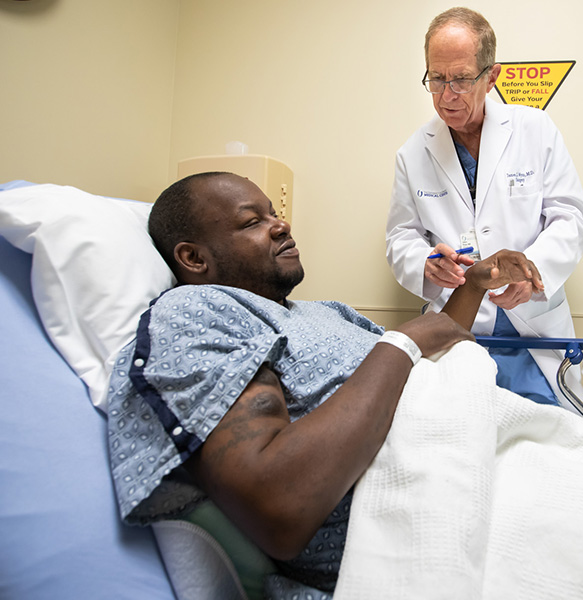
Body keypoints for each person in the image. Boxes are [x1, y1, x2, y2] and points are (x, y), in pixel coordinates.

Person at [107, 171, 544, 599]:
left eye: (273, 213)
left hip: (496, 468)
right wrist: (403, 342)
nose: (282, 224)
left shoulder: (323, 311)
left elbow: (426, 359)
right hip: (428, 525)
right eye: (252, 221)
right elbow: (278, 505)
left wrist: (474, 283)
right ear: (194, 259)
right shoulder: (195, 312)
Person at [385, 7, 583, 427]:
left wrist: (533, 271)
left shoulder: (535, 130)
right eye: (436, 78)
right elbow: (401, 238)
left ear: (492, 76)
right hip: (456, 325)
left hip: (532, 330)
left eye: (462, 79)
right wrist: (427, 265)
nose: (447, 94)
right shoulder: (412, 153)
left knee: (552, 437)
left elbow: (570, 218)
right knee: (457, 436)